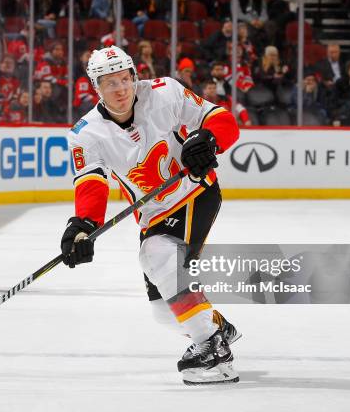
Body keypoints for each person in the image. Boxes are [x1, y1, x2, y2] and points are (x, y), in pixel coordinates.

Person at [60, 45, 241, 385]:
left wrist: (209, 139)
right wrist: (83, 225)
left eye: (125, 79)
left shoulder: (165, 91)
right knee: (162, 311)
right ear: (96, 88)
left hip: (195, 192)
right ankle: (214, 325)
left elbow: (219, 118)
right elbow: (91, 182)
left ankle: (213, 351)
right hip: (153, 214)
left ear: (134, 76)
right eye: (109, 82)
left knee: (155, 255)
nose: (121, 89)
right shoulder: (86, 133)